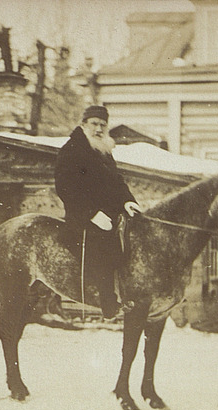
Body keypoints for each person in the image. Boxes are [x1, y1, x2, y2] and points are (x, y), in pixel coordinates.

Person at [54, 105, 142, 319]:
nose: (99, 128)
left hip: (109, 215)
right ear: (83, 124)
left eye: (103, 124)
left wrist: (127, 201)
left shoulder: (103, 149)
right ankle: (108, 304)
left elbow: (116, 181)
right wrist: (92, 214)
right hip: (82, 219)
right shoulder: (72, 150)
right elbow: (65, 187)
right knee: (102, 249)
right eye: (94, 123)